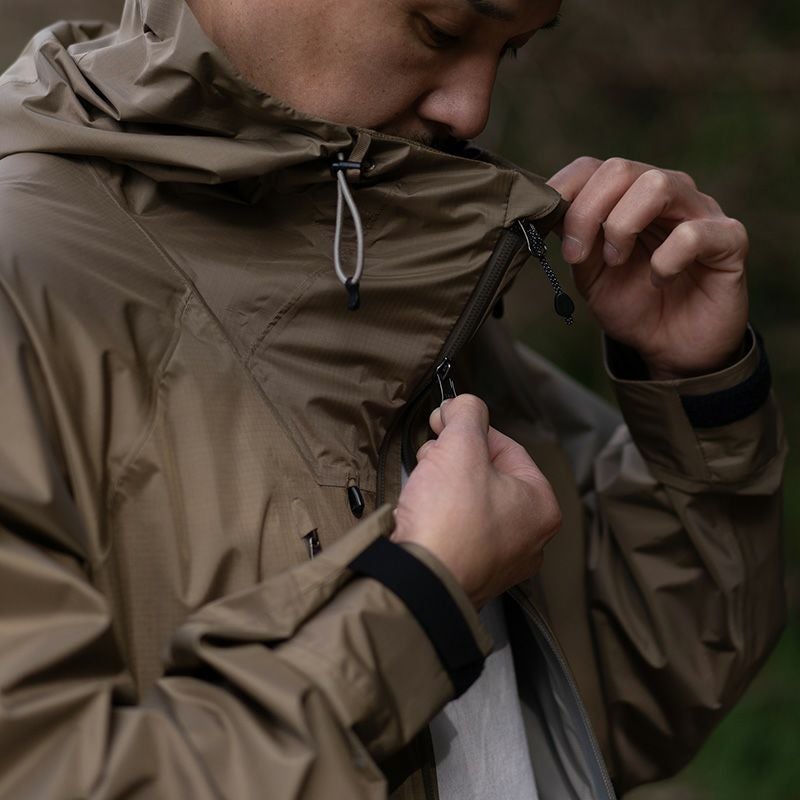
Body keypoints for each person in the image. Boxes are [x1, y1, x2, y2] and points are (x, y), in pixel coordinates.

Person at [0, 0, 786, 798]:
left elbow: (629, 693)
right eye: (440, 30)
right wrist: (417, 609)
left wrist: (697, 385)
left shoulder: (411, 268)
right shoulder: (26, 280)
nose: (471, 109)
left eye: (510, 50)